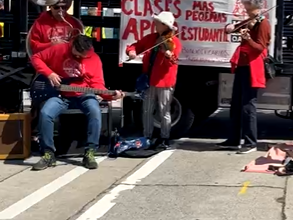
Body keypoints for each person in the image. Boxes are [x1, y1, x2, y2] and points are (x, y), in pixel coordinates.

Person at [30, 35, 124, 171]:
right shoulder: (59, 49)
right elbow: (36, 58)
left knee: (95, 111)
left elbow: (97, 84)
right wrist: (49, 73)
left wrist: (111, 96)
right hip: (60, 95)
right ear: (73, 45)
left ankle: (90, 152)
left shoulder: (94, 59)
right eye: (78, 54)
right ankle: (48, 153)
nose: (81, 57)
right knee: (45, 113)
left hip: (84, 95)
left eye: (84, 55)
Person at [220, 0, 271, 152]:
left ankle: (250, 142)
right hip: (243, 64)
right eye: (246, 9)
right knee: (235, 104)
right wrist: (229, 28)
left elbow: (260, 48)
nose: (247, 12)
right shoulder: (250, 21)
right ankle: (234, 139)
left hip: (252, 66)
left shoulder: (263, 23)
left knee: (248, 105)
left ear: (256, 7)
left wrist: (248, 39)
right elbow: (232, 28)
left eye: (249, 9)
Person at [126, 12, 182, 150]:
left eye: (157, 22)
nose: (155, 24)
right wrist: (132, 52)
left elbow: (173, 62)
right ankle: (147, 136)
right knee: (147, 110)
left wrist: (167, 54)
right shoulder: (151, 38)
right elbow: (135, 46)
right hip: (149, 80)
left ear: (164, 25)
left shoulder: (173, 42)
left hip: (165, 81)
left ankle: (164, 137)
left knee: (164, 111)